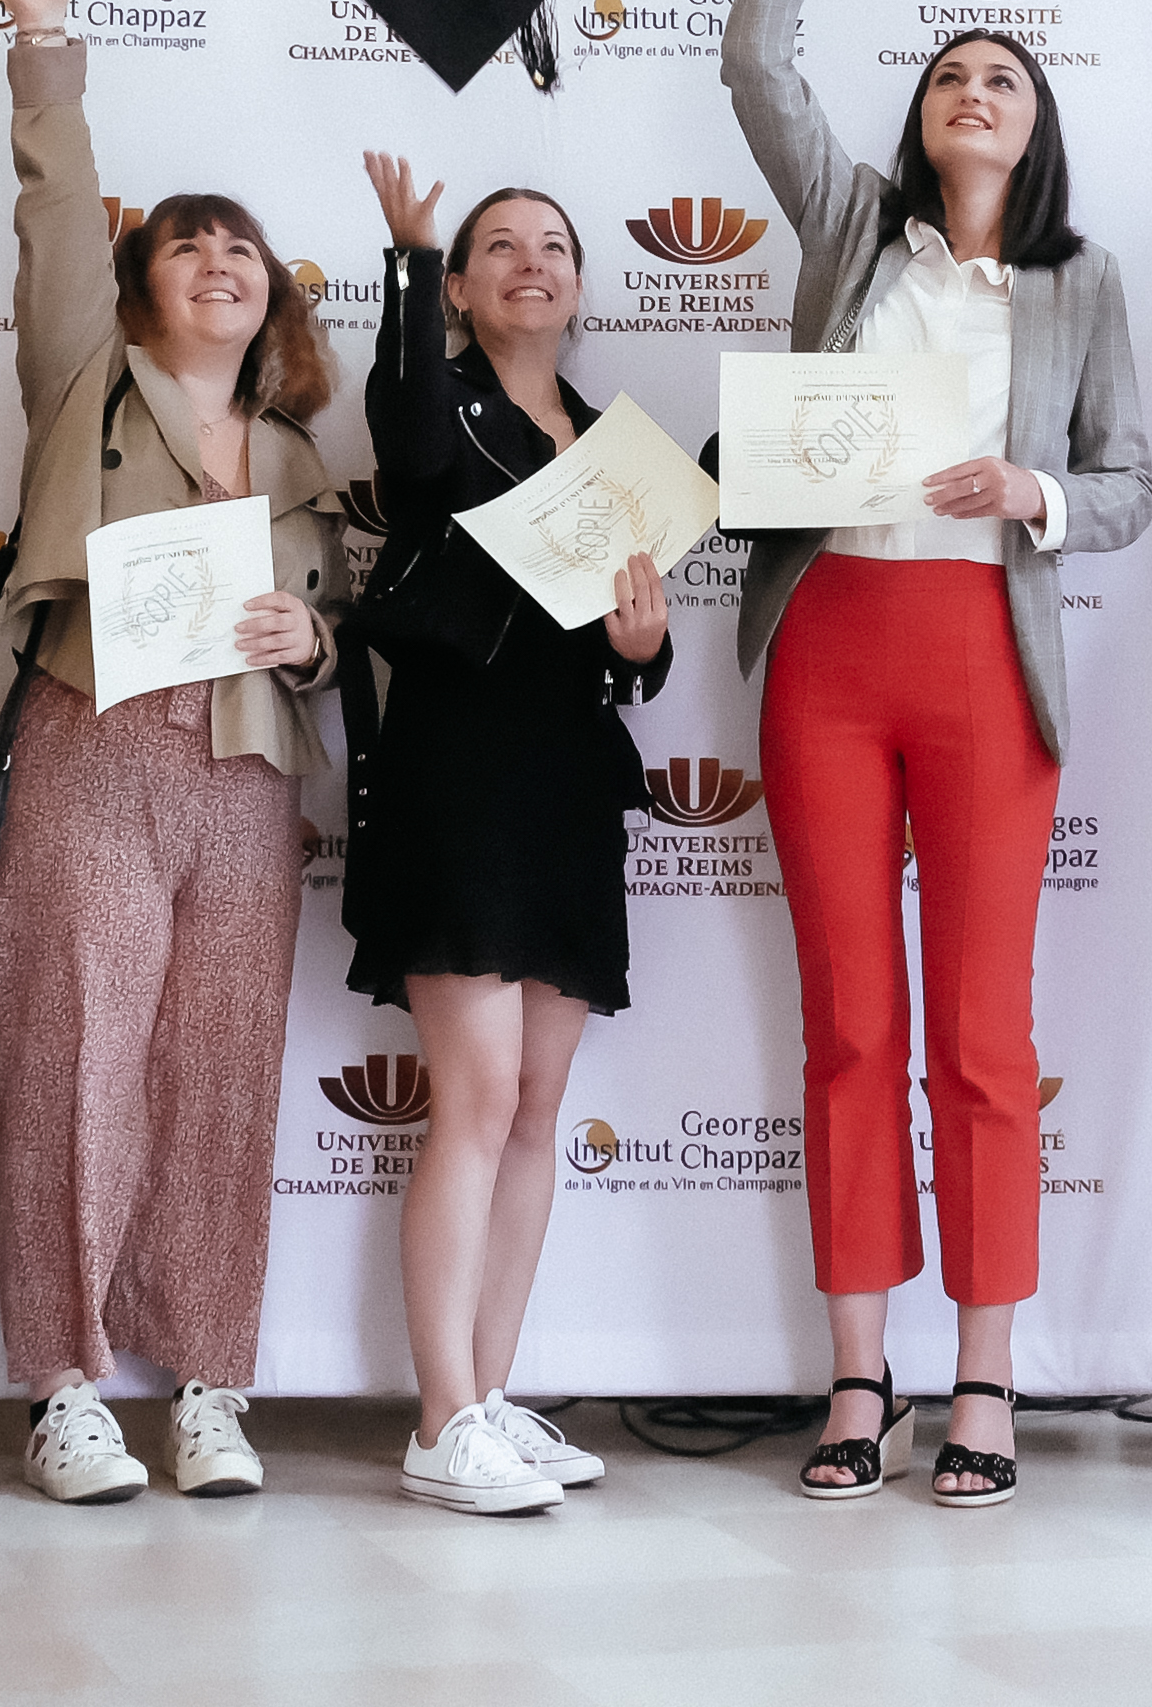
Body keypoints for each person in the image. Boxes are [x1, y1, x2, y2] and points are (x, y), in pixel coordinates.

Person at [721, 0, 1152, 1508]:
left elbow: (1128, 483)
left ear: (1036, 128)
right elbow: (759, 69)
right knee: (846, 1019)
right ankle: (855, 1376)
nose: (977, 87)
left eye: (1006, 75)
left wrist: (1035, 498)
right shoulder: (851, 230)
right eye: (951, 72)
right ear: (918, 122)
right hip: (829, 636)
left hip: (989, 651)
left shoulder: (1082, 283)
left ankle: (985, 1378)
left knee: (981, 1027)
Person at [0, 0, 342, 1506]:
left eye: (241, 248)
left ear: (276, 300)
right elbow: (57, 217)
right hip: (93, 744)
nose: (217, 261)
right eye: (188, 245)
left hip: (249, 776)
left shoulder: (319, 464)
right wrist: (43, 46)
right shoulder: (85, 381)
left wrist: (310, 641)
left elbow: (345, 635)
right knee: (69, 1055)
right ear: (142, 288)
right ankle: (64, 1390)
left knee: (220, 1066)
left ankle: (210, 1384)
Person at [344, 156, 674, 1516]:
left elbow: (630, 644)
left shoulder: (613, 444)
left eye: (553, 245)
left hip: (563, 783)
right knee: (473, 1101)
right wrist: (409, 262)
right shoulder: (442, 398)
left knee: (536, 1107)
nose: (531, 261)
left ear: (581, 286)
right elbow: (409, 441)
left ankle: (487, 1393)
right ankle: (439, 1421)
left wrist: (646, 646)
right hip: (456, 772)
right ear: (470, 287)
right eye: (499, 247)